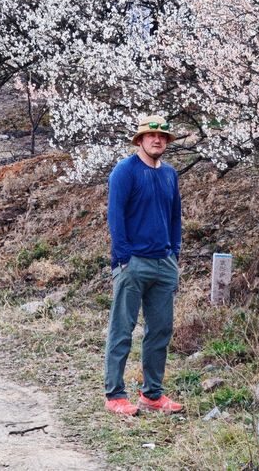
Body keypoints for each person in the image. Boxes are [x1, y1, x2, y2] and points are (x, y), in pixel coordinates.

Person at [104, 114, 183, 416]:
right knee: (122, 329)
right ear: (139, 139)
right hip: (133, 263)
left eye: (162, 136)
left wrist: (173, 252)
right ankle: (114, 395)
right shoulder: (125, 171)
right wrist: (124, 258)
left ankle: (152, 394)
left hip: (163, 263)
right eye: (151, 135)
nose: (157, 139)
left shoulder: (169, 174)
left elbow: (175, 216)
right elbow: (116, 216)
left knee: (160, 330)